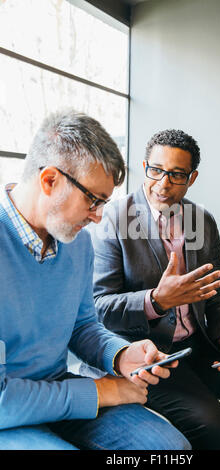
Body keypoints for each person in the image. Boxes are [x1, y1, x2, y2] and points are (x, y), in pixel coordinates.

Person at [88, 128, 220, 450]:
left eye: (176, 175)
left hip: (198, 345)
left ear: (192, 177)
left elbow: (217, 293)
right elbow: (99, 307)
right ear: (144, 166)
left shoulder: (202, 220)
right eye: (155, 170)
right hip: (147, 354)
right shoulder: (114, 219)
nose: (162, 183)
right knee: (209, 423)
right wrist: (156, 301)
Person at [0, 112, 191, 451]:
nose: (99, 216)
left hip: (60, 391)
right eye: (93, 199)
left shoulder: (78, 244)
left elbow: (82, 325)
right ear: (49, 180)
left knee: (170, 450)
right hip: (9, 411)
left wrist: (120, 355)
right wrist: (102, 390)